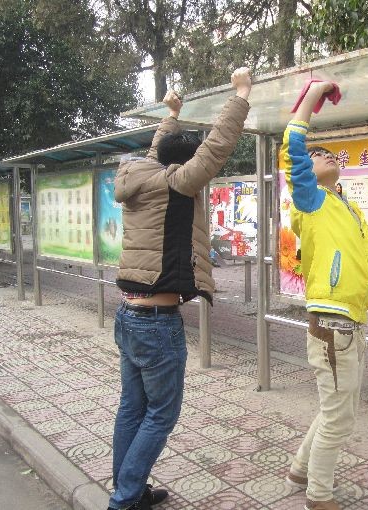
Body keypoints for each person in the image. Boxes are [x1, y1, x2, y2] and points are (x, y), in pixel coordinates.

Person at [110, 68, 252, 510]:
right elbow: (216, 147)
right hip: (156, 322)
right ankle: (124, 499)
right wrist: (241, 94)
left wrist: (171, 115)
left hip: (128, 314)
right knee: (160, 415)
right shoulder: (176, 183)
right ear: (182, 165)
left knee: (132, 409)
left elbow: (158, 151)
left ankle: (130, 492)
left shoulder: (141, 177)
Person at [282, 81, 368, 510]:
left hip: (349, 325)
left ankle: (300, 471)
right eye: (319, 154)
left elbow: (359, 271)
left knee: (336, 410)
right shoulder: (310, 201)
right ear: (307, 171)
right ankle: (318, 496)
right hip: (332, 326)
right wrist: (313, 96)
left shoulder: (350, 210)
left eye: (332, 154)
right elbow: (293, 147)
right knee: (339, 419)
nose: (328, 156)